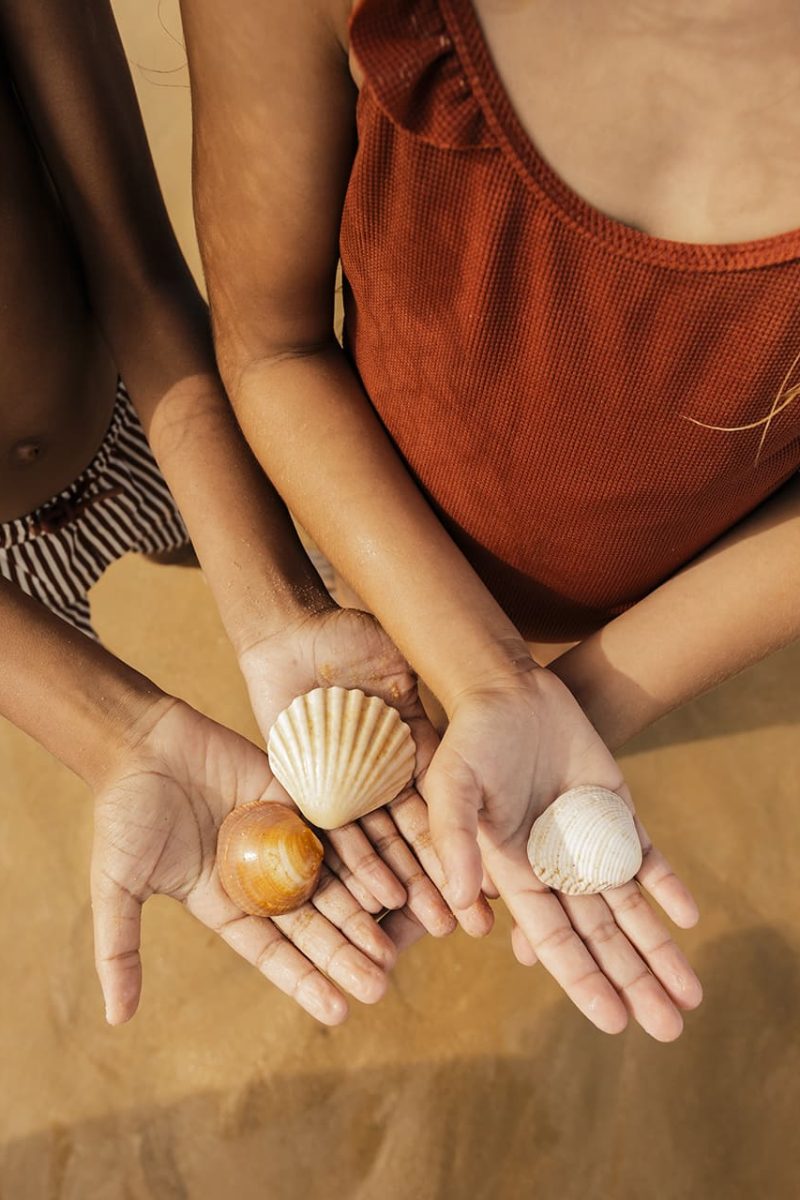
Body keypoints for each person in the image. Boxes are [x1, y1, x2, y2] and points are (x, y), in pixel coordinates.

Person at [177, 0, 797, 1042]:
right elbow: (271, 348)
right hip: (369, 525)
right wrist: (490, 680)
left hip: (684, 587)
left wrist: (568, 694)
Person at [0, 0, 488, 1029]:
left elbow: (135, 264)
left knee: (275, 564)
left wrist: (268, 602)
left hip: (149, 415)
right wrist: (118, 737)